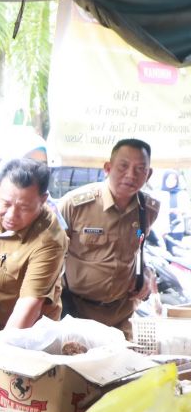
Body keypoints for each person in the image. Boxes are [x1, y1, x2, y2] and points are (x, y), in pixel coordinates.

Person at [59, 138, 160, 337]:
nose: (131, 175)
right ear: (108, 167)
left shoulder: (147, 210)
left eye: (140, 169)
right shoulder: (74, 206)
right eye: (123, 166)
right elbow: (50, 257)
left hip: (122, 315)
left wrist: (144, 273)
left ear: (148, 174)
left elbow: (139, 247)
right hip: (78, 314)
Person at [0, 158, 67, 335]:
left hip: (26, 333)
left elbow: (29, 305)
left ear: (43, 200)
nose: (11, 215)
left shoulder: (49, 240)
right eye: (6, 204)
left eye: (24, 208)